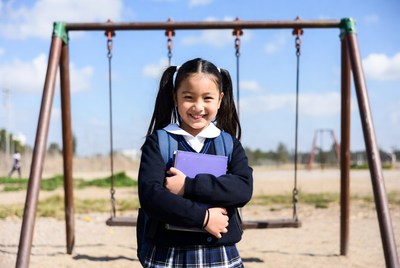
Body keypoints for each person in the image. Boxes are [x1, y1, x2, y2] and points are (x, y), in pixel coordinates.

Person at [137, 58, 253, 267]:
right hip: (168, 254)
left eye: (207, 98)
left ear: (220, 100)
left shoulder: (228, 143)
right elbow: (151, 197)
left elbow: (243, 189)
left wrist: (187, 186)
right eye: (189, 97)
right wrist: (203, 218)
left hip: (219, 252)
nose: (198, 107)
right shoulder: (159, 142)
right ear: (175, 98)